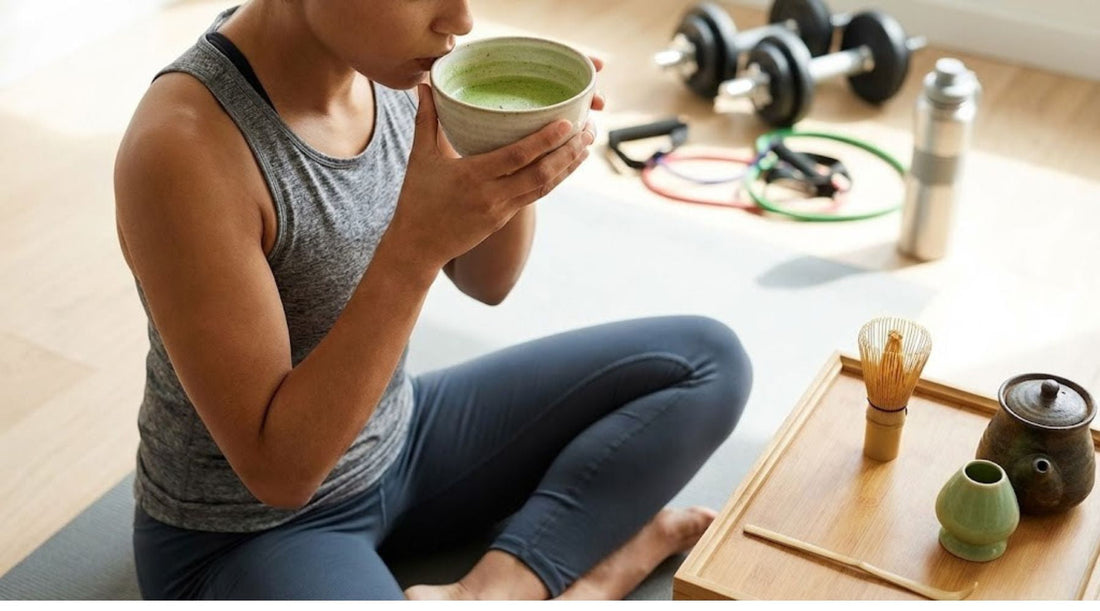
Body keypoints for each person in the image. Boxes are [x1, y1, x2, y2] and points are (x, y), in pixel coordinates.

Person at [114, 0, 752, 600]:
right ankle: (588, 576)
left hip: (400, 439)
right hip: (242, 534)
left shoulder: (398, 70)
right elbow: (279, 475)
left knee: (708, 360)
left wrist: (513, 152)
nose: (462, 20)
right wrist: (413, 250)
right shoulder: (184, 148)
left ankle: (495, 590)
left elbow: (487, 282)